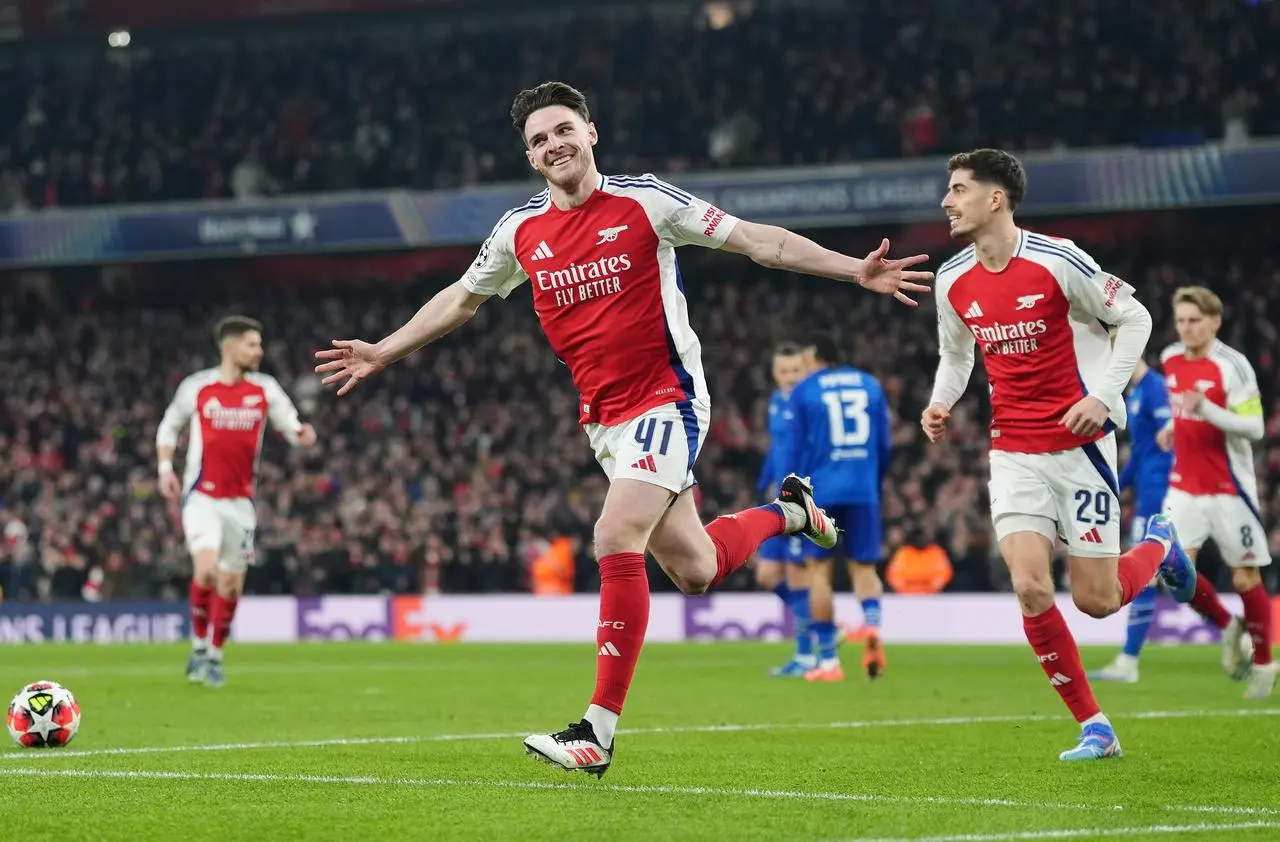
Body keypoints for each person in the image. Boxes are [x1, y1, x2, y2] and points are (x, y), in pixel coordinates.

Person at [314, 81, 932, 778]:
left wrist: (856, 270)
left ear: (591, 131)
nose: (554, 145)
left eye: (563, 129)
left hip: (667, 400)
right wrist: (383, 350)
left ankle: (597, 733)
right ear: (530, 156)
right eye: (539, 139)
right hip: (605, 422)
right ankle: (791, 512)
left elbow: (757, 241)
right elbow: (461, 299)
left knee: (613, 536)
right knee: (696, 570)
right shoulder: (520, 230)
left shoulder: (645, 201)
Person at [921, 148, 1194, 762]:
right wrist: (940, 402)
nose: (947, 200)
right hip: (1013, 450)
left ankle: (1159, 548)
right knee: (1029, 586)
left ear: (996, 199)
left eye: (960, 189)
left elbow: (1138, 318)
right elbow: (958, 354)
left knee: (1097, 601)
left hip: (1080, 447)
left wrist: (1103, 396)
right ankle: (1095, 725)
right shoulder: (951, 278)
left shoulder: (1058, 260)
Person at [156, 316, 317, 688]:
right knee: (207, 570)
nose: (259, 351)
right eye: (252, 344)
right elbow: (169, 426)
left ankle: (214, 655)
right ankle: (197, 647)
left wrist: (301, 433)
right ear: (229, 348)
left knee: (230, 585)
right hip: (201, 496)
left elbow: (289, 424)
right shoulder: (198, 387)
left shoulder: (265, 389)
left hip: (240, 503)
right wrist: (166, 468)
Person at [1157, 286, 1275, 700]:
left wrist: (1207, 409)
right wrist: (1174, 426)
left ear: (1214, 321)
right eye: (1182, 321)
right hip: (1184, 486)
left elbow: (1255, 428)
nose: (1187, 329)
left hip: (1229, 488)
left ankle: (1263, 663)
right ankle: (1229, 626)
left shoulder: (1232, 366)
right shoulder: (1170, 358)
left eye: (1195, 320)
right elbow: (1182, 408)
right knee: (1174, 575)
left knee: (1246, 577)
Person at [786, 333, 891, 681]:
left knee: (818, 572)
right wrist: (873, 482)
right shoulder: (871, 385)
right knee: (864, 569)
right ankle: (872, 625)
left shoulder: (805, 390)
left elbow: (797, 450)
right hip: (863, 487)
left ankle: (829, 661)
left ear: (816, 356)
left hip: (821, 490)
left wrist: (791, 494)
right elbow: (884, 445)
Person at [1088, 358, 1174, 683]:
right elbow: (1139, 456)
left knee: (1150, 573)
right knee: (1165, 570)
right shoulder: (1136, 393)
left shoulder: (1155, 388)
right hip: (1147, 494)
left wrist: (1167, 493)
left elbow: (1169, 442)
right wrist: (1115, 488)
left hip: (1160, 494)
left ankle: (1129, 661)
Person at [753, 342, 817, 677]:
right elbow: (777, 448)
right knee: (768, 575)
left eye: (796, 370)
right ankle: (824, 629)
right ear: (775, 373)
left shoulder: (810, 403)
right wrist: (763, 481)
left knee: (797, 574)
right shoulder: (777, 402)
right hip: (777, 497)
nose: (790, 377)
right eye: (784, 371)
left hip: (800, 499)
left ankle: (806, 655)